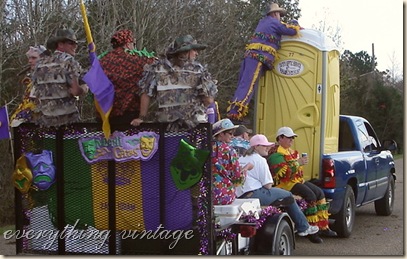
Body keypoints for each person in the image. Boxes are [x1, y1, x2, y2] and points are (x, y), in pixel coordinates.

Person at [226, 2, 302, 122]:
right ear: (275, 13)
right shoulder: (274, 22)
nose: (280, 17)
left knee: (243, 83)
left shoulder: (263, 22)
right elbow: (292, 31)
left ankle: (234, 110)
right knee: (248, 84)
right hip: (258, 57)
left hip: (250, 55)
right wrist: (294, 23)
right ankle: (236, 113)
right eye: (279, 14)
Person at [236, 134, 320, 238]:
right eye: (264, 145)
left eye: (268, 145)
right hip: (255, 195)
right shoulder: (260, 160)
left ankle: (302, 226)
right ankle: (303, 227)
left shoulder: (240, 158)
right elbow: (268, 185)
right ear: (256, 147)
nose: (268, 147)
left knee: (283, 194)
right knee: (288, 195)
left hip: (240, 196)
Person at [130, 35, 218, 131]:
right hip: (192, 125)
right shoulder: (198, 70)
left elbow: (146, 93)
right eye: (194, 50)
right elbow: (208, 100)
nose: (196, 53)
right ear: (185, 52)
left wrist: (141, 117)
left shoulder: (157, 68)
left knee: (168, 146)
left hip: (165, 126)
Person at [268, 126, 337, 243]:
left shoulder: (291, 152)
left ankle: (322, 226)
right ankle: (311, 231)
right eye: (289, 138)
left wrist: (299, 164)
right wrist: (297, 163)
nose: (291, 140)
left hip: (297, 181)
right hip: (285, 185)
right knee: (310, 196)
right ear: (280, 138)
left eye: (292, 138)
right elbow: (283, 174)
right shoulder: (275, 155)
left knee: (320, 193)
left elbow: (296, 170)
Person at [31, 28, 88, 127]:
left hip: (47, 125)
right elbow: (76, 91)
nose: (75, 46)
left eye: (76, 43)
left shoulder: (39, 64)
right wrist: (85, 88)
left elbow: (35, 95)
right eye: (71, 43)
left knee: (50, 143)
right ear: (60, 44)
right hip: (68, 124)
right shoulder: (68, 61)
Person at [99, 29, 155, 125]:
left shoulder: (102, 61)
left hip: (104, 115)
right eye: (133, 44)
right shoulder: (138, 60)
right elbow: (157, 65)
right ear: (128, 44)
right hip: (130, 117)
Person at [211, 118, 253, 205]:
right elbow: (237, 179)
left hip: (205, 196)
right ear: (221, 134)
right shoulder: (229, 151)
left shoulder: (206, 148)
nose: (232, 136)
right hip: (224, 196)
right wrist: (246, 169)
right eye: (230, 133)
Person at [10, 45, 49, 127]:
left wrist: (22, 117)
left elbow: (37, 106)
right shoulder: (34, 79)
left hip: (47, 126)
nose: (30, 61)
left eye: (34, 58)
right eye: (29, 58)